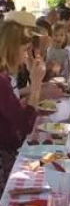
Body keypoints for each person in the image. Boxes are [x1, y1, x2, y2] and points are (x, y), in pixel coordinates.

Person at [0, 19, 46, 181]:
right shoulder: (2, 81)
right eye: (25, 49)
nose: (26, 55)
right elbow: (23, 127)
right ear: (12, 48)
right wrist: (36, 86)